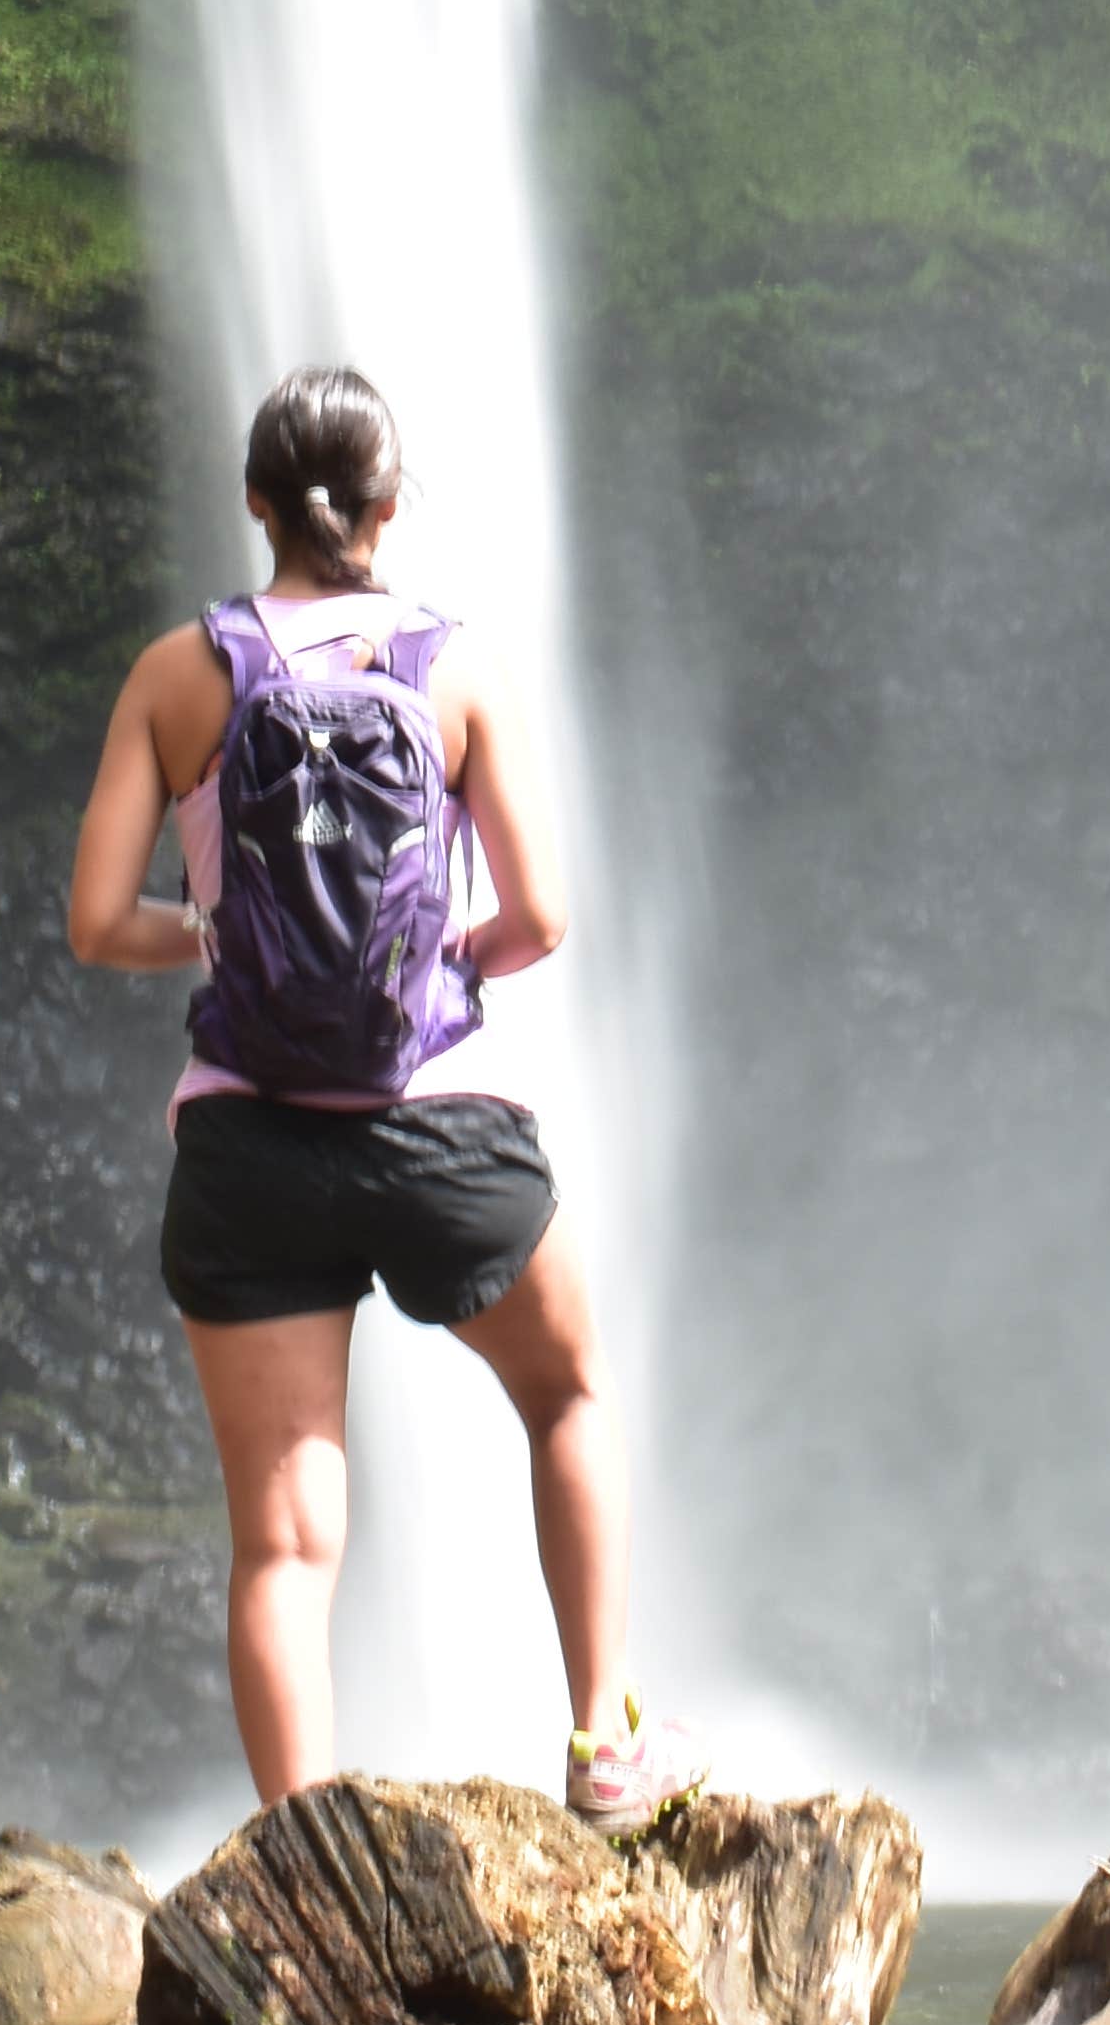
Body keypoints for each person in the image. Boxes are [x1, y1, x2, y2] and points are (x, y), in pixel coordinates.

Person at [66, 363, 700, 1824]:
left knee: (287, 1548)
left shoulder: (182, 677)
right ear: (391, 507)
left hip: (248, 1149)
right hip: (439, 1131)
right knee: (570, 1393)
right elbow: (540, 918)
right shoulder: (456, 671)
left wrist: (218, 933)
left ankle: (306, 1852)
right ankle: (606, 1741)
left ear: (255, 505)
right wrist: (436, 967)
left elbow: (100, 923)